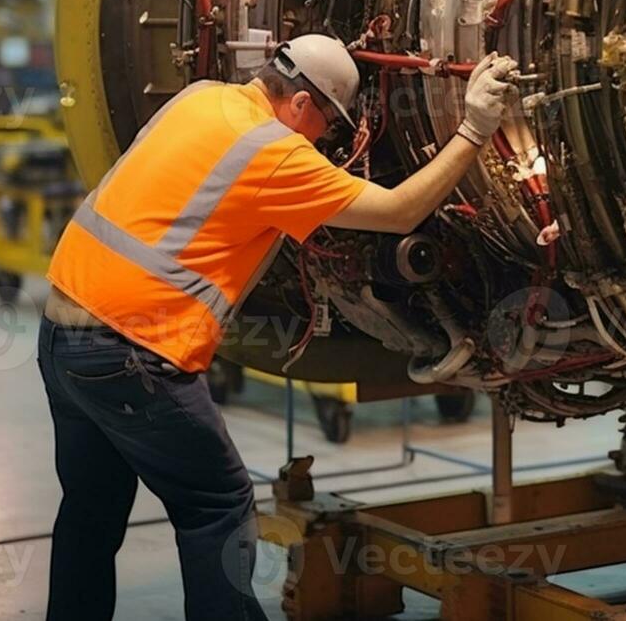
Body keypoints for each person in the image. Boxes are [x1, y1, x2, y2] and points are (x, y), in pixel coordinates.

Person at [36, 35, 518, 621]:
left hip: (62, 333)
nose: (322, 142)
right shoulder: (274, 154)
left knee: (91, 510)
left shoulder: (200, 97)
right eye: (326, 127)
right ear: (300, 106)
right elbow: (398, 212)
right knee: (219, 504)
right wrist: (472, 127)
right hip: (133, 352)